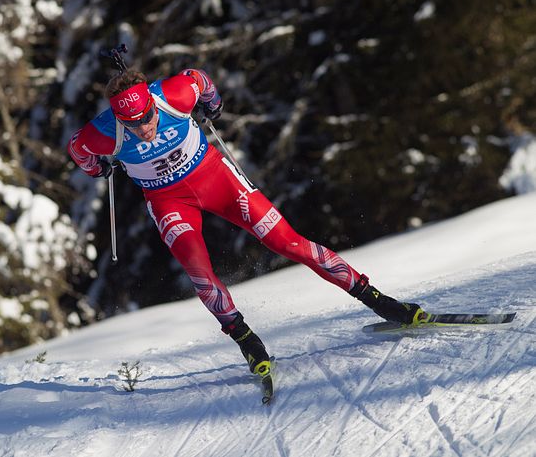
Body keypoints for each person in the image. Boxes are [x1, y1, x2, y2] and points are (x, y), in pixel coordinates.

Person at [67, 68, 424, 378]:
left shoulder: (172, 94)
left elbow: (200, 80)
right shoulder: (103, 132)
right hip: (168, 201)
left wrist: (213, 104)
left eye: (146, 118)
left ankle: (379, 300)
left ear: (150, 102)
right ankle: (246, 341)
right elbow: (77, 149)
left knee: (287, 242)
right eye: (133, 124)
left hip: (215, 178)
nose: (144, 128)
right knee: (199, 270)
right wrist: (99, 168)